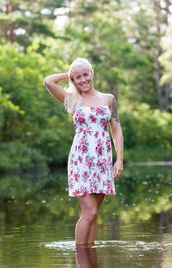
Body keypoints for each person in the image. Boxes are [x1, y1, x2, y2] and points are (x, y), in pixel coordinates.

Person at [43, 58, 123, 246]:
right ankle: (80, 254)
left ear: (92, 73)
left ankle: (89, 252)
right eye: (77, 77)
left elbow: (117, 130)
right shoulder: (72, 99)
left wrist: (119, 159)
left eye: (85, 74)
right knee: (90, 212)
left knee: (94, 214)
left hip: (103, 160)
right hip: (81, 161)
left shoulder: (108, 99)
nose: (83, 80)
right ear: (73, 79)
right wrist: (68, 75)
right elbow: (48, 81)